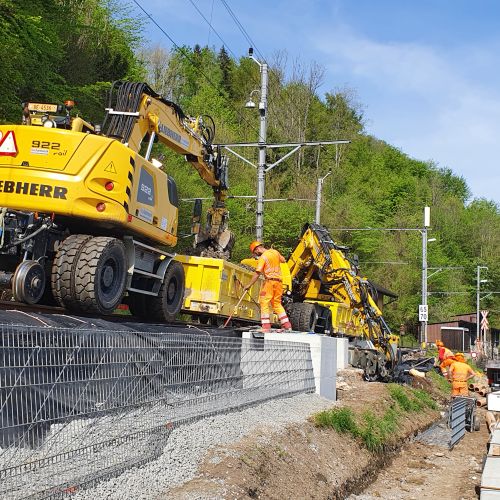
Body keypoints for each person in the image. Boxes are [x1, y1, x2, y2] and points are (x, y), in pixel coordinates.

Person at [244, 241, 292, 332]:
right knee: (277, 303)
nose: (256, 255)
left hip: (270, 282)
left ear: (257, 249)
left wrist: (249, 285)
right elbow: (283, 260)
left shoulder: (263, 257)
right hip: (279, 282)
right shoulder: (275, 252)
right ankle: (287, 325)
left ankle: (265, 327)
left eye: (255, 253)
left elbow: (258, 272)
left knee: (264, 301)